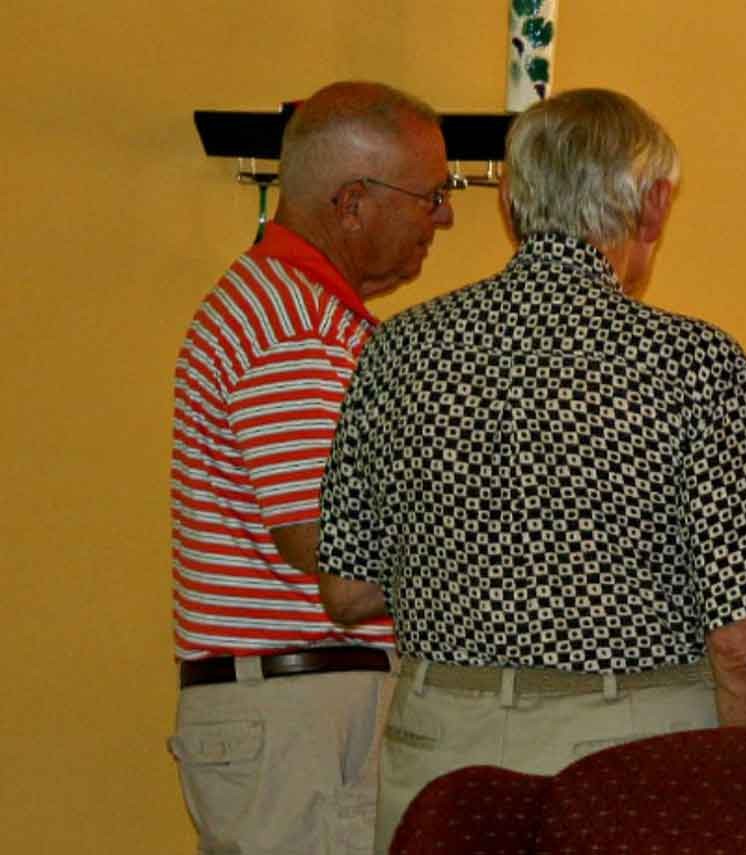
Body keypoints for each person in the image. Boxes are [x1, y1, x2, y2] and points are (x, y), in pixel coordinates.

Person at [313, 88, 746, 851]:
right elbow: (744, 649)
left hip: (441, 749)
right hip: (632, 759)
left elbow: (347, 590)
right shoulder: (694, 364)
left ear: (511, 201)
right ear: (653, 204)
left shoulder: (398, 351)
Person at [168, 81, 455, 853]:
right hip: (307, 713)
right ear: (353, 202)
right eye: (431, 194)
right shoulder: (295, 329)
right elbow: (323, 540)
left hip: (304, 709)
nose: (446, 216)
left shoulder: (297, 312)